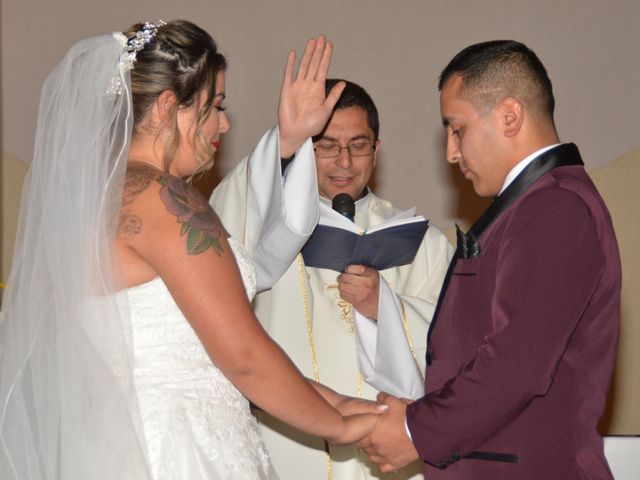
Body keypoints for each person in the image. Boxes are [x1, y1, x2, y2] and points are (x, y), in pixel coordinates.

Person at [0, 20, 382, 480]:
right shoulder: (165, 199)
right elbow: (242, 355)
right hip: (180, 450)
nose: (224, 123)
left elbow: (195, 355)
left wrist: (344, 403)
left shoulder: (94, 201)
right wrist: (338, 427)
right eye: (215, 106)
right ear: (167, 107)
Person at [357, 40, 621, 480]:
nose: (451, 152)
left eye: (457, 129)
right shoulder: (537, 204)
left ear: (510, 115)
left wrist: (414, 430)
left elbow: (515, 365)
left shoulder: (556, 206)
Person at [212, 80, 453, 479]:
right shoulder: (268, 229)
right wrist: (284, 139)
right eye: (326, 146)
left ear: (376, 151)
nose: (344, 162)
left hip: (387, 451)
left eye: (358, 145)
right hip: (290, 441)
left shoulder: (422, 241)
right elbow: (220, 228)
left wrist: (387, 308)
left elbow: (456, 341)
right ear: (306, 149)